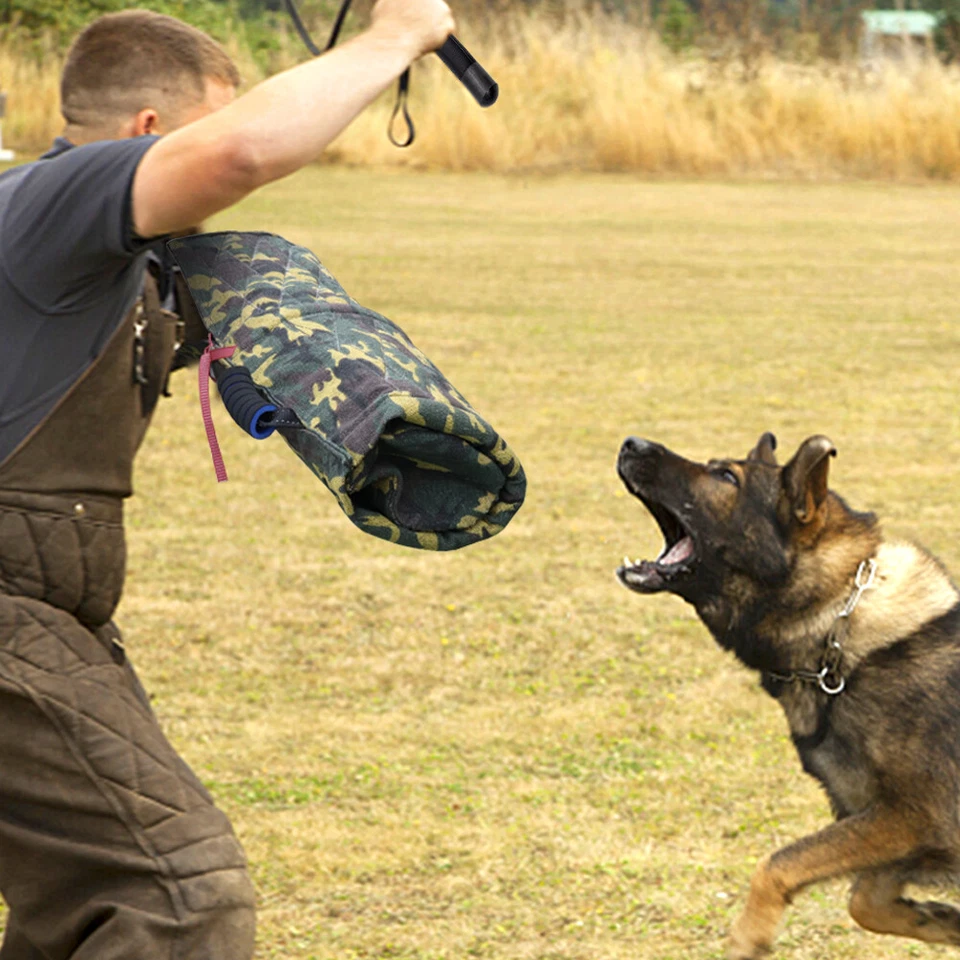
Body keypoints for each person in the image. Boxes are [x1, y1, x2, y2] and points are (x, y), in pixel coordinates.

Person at [0, 3, 454, 958]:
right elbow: (242, 154)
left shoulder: (113, 260)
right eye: (209, 121)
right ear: (148, 135)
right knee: (172, 895)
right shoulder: (56, 198)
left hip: (47, 609)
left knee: (75, 907)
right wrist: (392, 38)